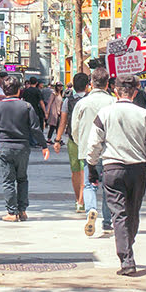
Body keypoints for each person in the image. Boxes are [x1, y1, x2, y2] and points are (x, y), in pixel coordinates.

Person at [84, 74, 146, 276]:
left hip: (112, 168)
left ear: (115, 91)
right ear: (136, 92)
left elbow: (94, 144)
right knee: (133, 212)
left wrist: (92, 167)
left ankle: (126, 258)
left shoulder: (104, 113)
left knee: (119, 214)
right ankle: (128, 246)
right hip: (137, 169)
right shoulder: (145, 115)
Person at [0, 75, 50, 221]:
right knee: (22, 178)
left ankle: (11, 212)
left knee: (8, 180)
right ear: (19, 90)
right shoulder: (27, 107)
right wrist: (44, 145)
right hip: (22, 147)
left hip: (4, 147)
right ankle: (22, 210)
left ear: (3, 89)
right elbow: (35, 128)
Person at [72, 68, 117, 236]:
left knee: (89, 184)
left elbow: (74, 128)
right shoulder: (113, 102)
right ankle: (107, 223)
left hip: (88, 149)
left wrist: (81, 143)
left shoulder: (82, 103)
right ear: (107, 84)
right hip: (109, 150)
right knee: (108, 187)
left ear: (91, 83)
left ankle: (91, 210)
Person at [55, 73, 90, 213]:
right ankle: (82, 201)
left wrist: (57, 140)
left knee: (75, 172)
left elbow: (62, 122)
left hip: (72, 140)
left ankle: (78, 200)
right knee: (84, 171)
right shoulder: (90, 100)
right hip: (88, 139)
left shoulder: (67, 101)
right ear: (87, 85)